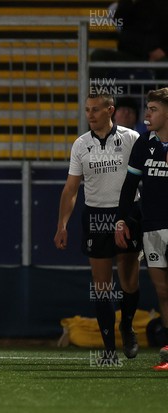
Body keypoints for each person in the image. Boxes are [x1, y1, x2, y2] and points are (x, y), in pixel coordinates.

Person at [54, 93, 141, 362]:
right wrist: (62, 225)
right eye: (87, 110)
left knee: (129, 281)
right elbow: (71, 188)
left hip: (127, 214)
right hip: (95, 216)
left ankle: (126, 326)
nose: (90, 115)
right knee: (102, 286)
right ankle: (109, 350)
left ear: (110, 110)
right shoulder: (80, 145)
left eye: (95, 109)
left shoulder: (130, 139)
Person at [115, 87, 168, 371]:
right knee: (162, 291)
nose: (146, 114)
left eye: (154, 109)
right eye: (147, 108)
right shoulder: (144, 143)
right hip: (153, 228)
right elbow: (129, 187)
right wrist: (122, 220)